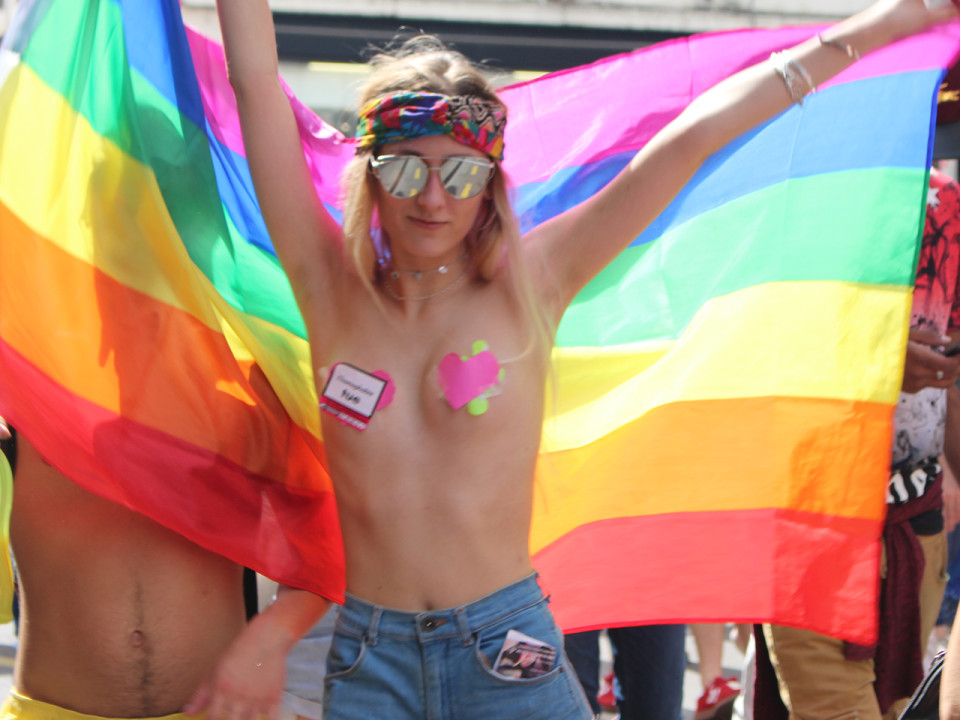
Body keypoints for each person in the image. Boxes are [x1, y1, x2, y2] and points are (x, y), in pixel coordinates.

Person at [213, 1, 959, 717]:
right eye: (407, 170)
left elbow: (693, 137)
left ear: (489, 188)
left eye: (461, 174)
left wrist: (885, 22)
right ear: (371, 176)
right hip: (370, 658)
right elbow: (254, 84)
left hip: (505, 650)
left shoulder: (532, 283)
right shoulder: (329, 290)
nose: (433, 198)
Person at [760, 166, 960, 720]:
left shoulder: (944, 201)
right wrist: (877, 360)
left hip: (916, 528)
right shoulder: (784, 193)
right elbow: (736, 349)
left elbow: (948, 367)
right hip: (810, 525)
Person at [0, 416, 329, 720]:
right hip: (48, 711)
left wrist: (270, 641)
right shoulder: (19, 400)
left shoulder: (245, 397)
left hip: (217, 711)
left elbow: (328, 538)